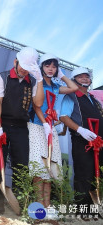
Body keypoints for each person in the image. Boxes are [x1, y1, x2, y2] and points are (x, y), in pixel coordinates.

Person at [28, 53, 78, 208]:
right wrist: (44, 124)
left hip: (51, 128)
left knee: (51, 168)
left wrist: (62, 76)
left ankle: (48, 207)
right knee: (38, 169)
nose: (51, 69)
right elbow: (37, 106)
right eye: (47, 65)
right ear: (41, 67)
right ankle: (38, 208)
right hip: (37, 127)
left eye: (54, 66)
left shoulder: (56, 86)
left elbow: (74, 87)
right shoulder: (37, 82)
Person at [0, 47, 44, 191]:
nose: (24, 70)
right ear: (15, 61)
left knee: (21, 165)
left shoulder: (32, 82)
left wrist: (40, 80)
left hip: (21, 127)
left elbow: (38, 103)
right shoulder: (2, 77)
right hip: (2, 124)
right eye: (22, 66)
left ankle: (19, 201)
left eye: (28, 68)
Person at [60, 67, 103, 215]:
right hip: (82, 141)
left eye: (87, 77)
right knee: (83, 175)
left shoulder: (94, 99)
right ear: (74, 80)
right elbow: (63, 117)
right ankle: (81, 210)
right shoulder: (71, 97)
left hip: (99, 142)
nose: (85, 79)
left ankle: (95, 208)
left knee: (96, 175)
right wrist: (80, 130)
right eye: (80, 77)